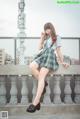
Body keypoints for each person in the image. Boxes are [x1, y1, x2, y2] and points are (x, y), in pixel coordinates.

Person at [26, 22, 69, 113]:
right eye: (45, 29)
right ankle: (43, 84)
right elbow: (39, 49)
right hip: (42, 55)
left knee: (41, 75)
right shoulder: (46, 38)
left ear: (51, 28)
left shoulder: (57, 37)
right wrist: (41, 38)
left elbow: (58, 50)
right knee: (32, 66)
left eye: (48, 28)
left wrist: (62, 62)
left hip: (50, 56)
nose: (47, 30)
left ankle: (35, 102)